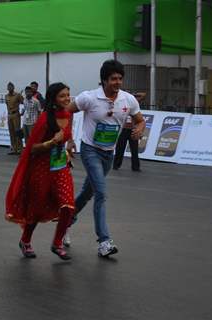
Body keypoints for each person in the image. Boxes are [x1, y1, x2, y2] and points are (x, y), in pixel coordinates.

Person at [65, 59, 146, 257]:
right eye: (113, 79)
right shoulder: (89, 98)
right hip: (90, 150)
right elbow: (66, 110)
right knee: (101, 193)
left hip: (109, 152)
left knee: (87, 193)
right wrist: (69, 139)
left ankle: (66, 221)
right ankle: (104, 242)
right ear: (103, 80)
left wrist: (139, 130)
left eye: (120, 78)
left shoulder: (128, 100)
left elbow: (140, 119)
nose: (117, 82)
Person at [5, 82, 75, 260]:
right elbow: (32, 148)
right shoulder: (45, 119)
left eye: (68, 95)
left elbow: (68, 133)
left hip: (60, 168)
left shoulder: (68, 114)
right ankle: (25, 240)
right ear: (53, 99)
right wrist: (51, 143)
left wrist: (69, 146)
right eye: (62, 96)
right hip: (41, 169)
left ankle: (57, 243)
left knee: (68, 206)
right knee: (36, 209)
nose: (67, 98)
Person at [113, 92, 146, 171]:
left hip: (132, 129)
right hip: (123, 129)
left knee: (134, 149)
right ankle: (116, 165)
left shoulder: (133, 102)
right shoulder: (121, 103)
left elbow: (143, 94)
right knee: (120, 148)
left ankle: (135, 167)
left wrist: (132, 95)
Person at [5, 82, 24, 155]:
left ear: (13, 87)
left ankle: (19, 149)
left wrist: (22, 112)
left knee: (17, 132)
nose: (9, 88)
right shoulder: (6, 96)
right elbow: (7, 105)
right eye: (8, 87)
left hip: (16, 114)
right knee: (11, 132)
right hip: (9, 115)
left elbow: (24, 103)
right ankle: (14, 148)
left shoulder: (17, 95)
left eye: (11, 86)